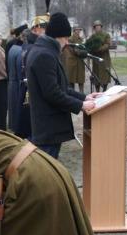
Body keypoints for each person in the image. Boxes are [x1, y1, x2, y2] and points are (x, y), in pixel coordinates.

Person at [26, 13, 99, 159]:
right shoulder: (44, 55)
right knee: (46, 172)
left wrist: (85, 97)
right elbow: (52, 93)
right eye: (65, 38)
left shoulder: (46, 51)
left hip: (50, 127)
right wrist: (81, 105)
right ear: (57, 36)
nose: (67, 43)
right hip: (48, 127)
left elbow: (63, 87)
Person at [85, 21, 113, 92]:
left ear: (101, 27)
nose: (97, 27)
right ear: (94, 28)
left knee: (105, 75)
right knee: (96, 76)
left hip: (104, 59)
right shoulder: (92, 36)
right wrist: (90, 49)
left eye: (99, 26)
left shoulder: (106, 35)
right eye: (96, 26)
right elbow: (89, 45)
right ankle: (97, 92)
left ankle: (104, 91)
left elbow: (108, 44)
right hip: (96, 60)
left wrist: (99, 49)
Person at [62, 27, 87, 93]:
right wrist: (80, 52)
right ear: (74, 30)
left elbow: (84, 48)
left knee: (81, 79)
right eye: (77, 30)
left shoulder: (81, 39)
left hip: (80, 61)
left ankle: (82, 93)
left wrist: (84, 52)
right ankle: (73, 94)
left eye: (79, 29)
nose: (78, 31)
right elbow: (72, 50)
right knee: (71, 80)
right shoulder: (70, 39)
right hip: (72, 61)